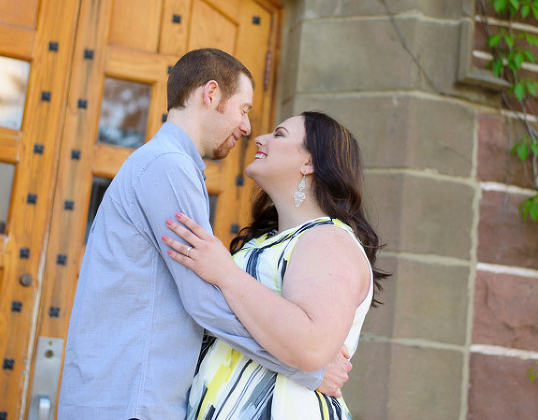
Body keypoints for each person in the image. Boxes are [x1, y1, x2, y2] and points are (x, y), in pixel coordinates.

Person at [58, 50, 349, 420]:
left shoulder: (165, 164)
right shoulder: (169, 167)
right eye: (243, 110)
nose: (246, 128)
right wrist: (308, 368)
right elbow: (203, 299)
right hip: (132, 400)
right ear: (210, 94)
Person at [162, 111, 388, 419]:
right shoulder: (268, 240)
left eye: (279, 135)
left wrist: (226, 274)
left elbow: (311, 346)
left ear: (309, 163)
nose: (260, 138)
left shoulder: (328, 239)